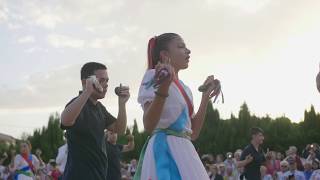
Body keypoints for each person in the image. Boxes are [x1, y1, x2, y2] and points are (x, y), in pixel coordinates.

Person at [134, 33, 221, 180]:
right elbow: (149, 125)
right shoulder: (153, 76)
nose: (188, 51)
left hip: (185, 151)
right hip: (164, 149)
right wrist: (164, 87)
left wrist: (205, 96)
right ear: (164, 54)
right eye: (181, 47)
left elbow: (193, 133)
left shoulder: (185, 88)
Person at [60, 62, 130, 180]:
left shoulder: (100, 108)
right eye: (101, 80)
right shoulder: (77, 104)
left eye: (107, 80)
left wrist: (122, 104)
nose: (106, 84)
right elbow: (65, 120)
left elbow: (119, 129)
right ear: (84, 82)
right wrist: (87, 92)